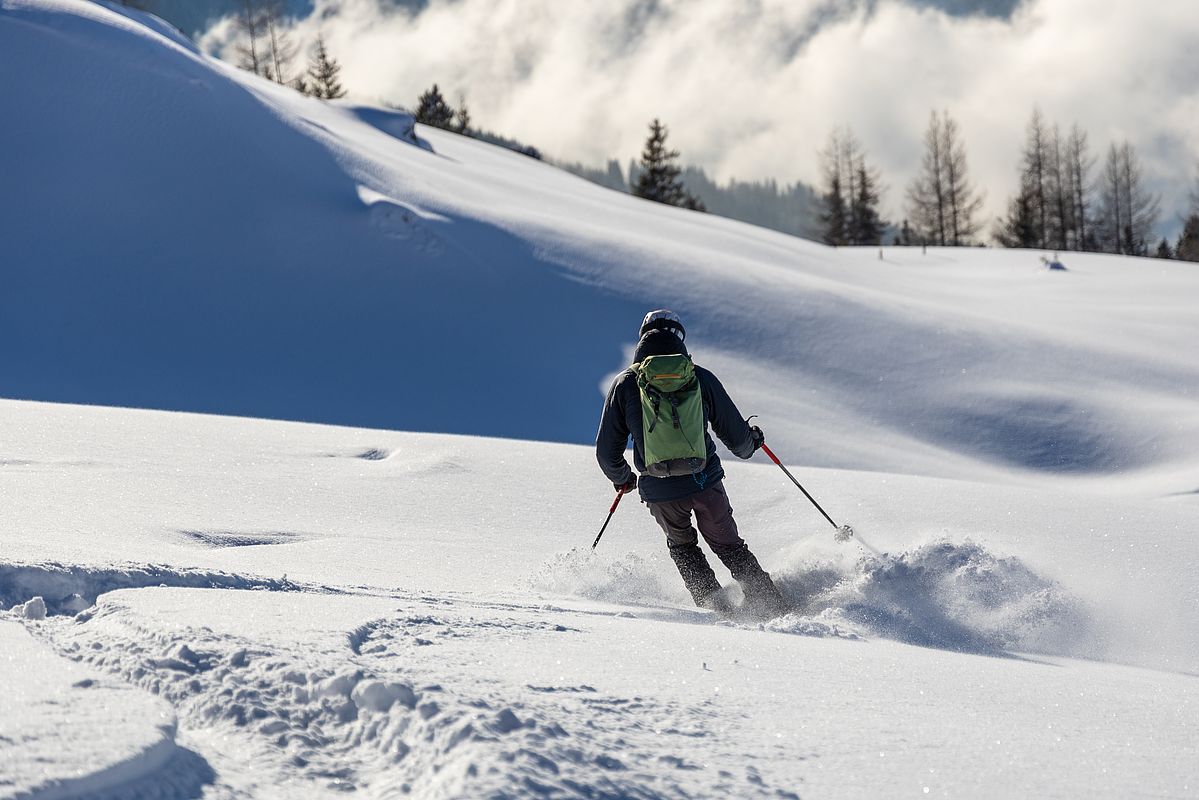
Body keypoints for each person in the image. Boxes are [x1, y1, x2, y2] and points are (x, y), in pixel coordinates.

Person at [595, 310, 789, 618]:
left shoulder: (626, 384)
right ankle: (775, 609)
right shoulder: (699, 377)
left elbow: (607, 453)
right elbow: (739, 443)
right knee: (730, 548)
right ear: (679, 339)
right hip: (705, 482)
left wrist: (623, 479)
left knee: (684, 548)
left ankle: (718, 613)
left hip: (660, 493)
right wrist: (752, 441)